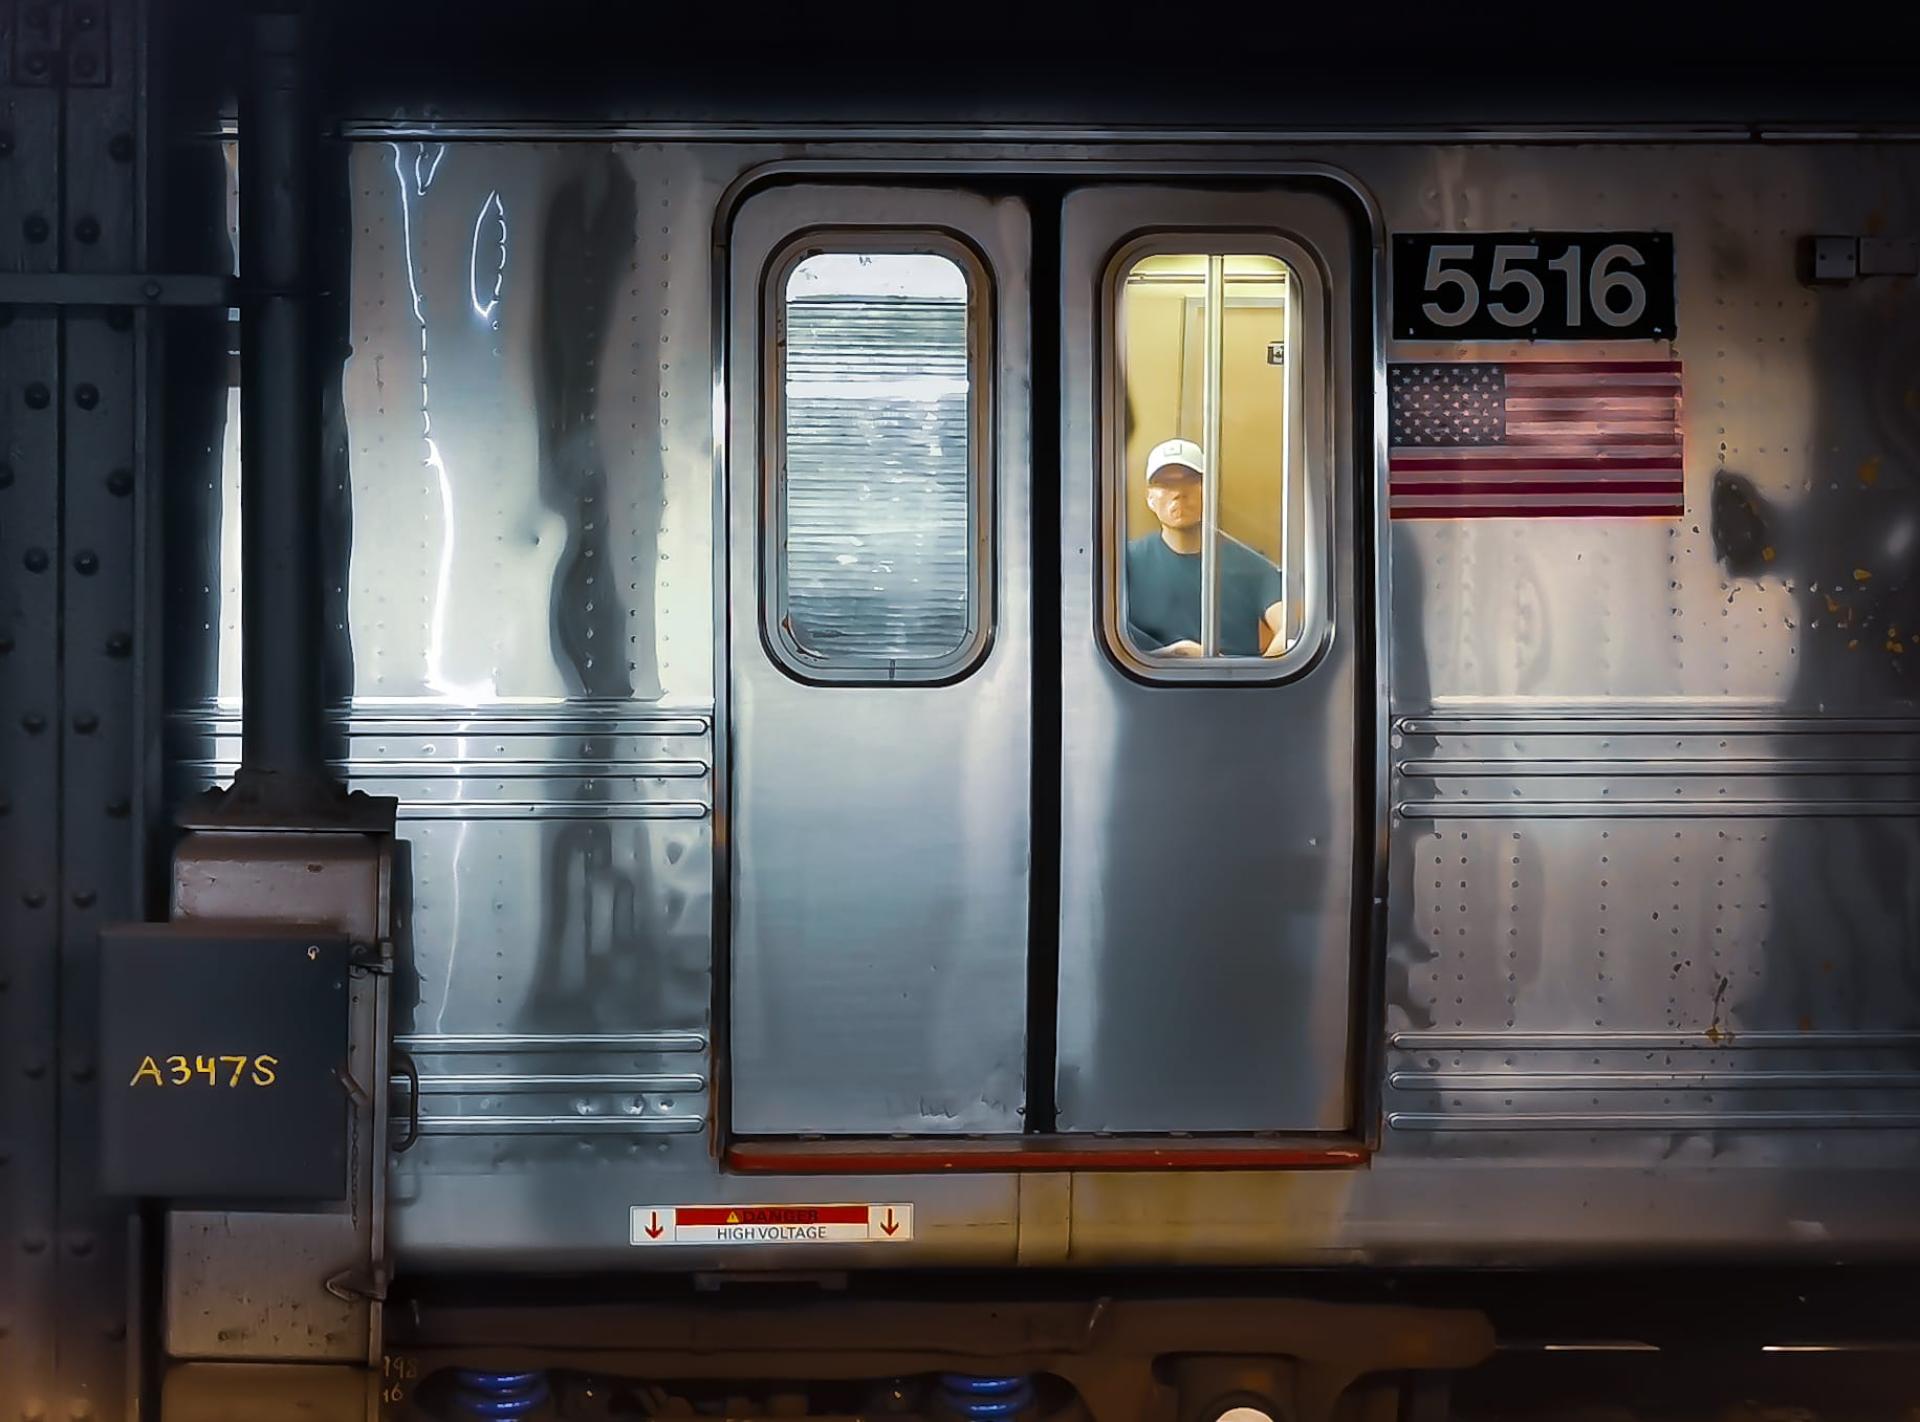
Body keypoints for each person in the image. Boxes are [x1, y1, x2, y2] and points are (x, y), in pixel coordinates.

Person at [1124, 438, 1286, 658]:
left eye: (1190, 480)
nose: (1179, 492)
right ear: (1150, 497)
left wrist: (1250, 675)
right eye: (1165, 484)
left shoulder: (1249, 563)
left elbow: (1291, 631)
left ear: (1209, 488)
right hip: (1145, 686)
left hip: (1231, 688)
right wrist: (1168, 655)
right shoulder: (1126, 562)